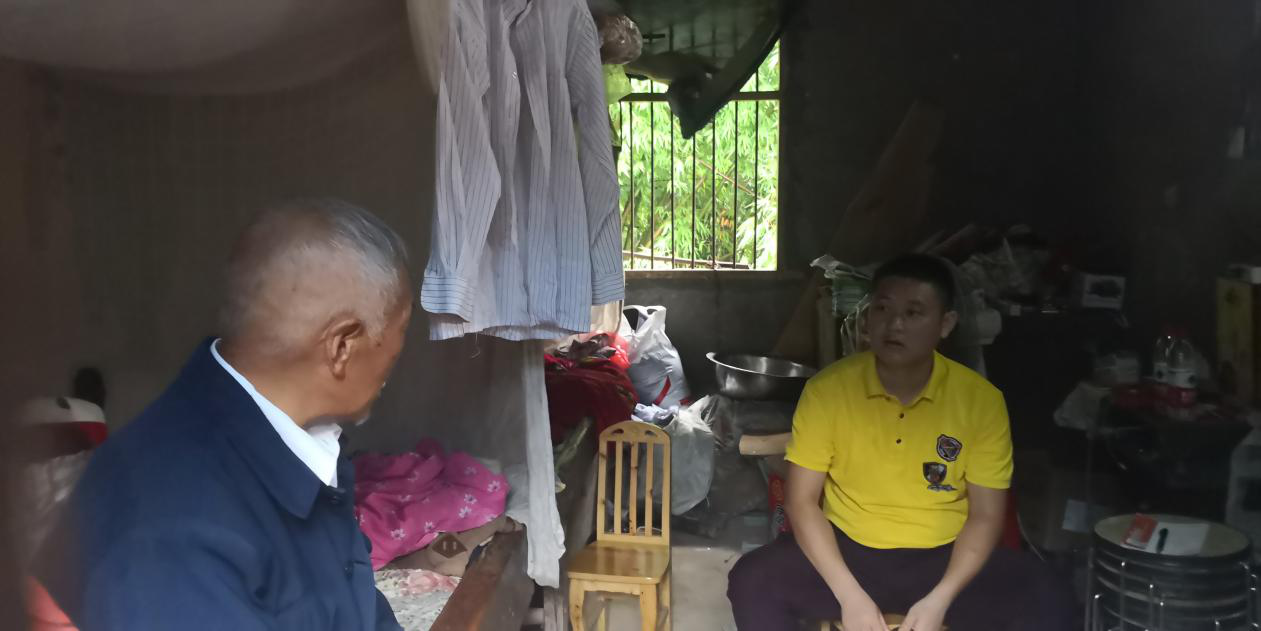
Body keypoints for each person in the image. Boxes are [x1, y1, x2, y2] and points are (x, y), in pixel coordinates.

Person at [34, 198, 412, 631]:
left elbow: (354, 605)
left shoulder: (301, 441)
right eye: (401, 331)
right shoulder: (175, 541)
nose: (398, 354)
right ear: (342, 346)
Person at [728, 254, 1074, 631]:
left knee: (1046, 594)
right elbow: (801, 501)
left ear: (945, 324)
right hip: (848, 554)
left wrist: (941, 599)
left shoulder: (980, 401)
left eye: (913, 312)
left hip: (945, 558)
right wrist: (849, 596)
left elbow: (986, 515)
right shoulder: (827, 391)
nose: (895, 324)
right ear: (867, 319)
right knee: (752, 580)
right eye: (883, 308)